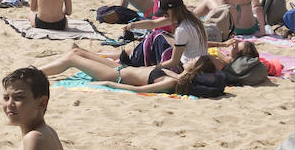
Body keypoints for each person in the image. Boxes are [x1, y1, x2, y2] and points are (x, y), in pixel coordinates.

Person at [2, 67, 72, 150]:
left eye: (19, 98)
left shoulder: (33, 139)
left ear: (41, 103)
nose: (10, 104)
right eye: (6, 97)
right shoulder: (49, 132)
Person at [38, 46, 219, 95]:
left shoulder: (172, 81)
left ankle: (34, 73)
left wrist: (106, 83)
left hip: (115, 76)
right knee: (77, 51)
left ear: (196, 69)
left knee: (72, 59)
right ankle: (35, 70)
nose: (191, 59)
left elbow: (137, 89)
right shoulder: (177, 74)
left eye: (194, 60)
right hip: (122, 68)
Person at [125, 0, 207, 70]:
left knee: (157, 37)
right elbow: (153, 24)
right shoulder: (191, 18)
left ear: (173, 10)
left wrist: (151, 69)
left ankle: (134, 61)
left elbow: (173, 62)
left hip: (187, 67)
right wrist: (133, 25)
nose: (164, 16)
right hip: (201, 63)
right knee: (157, 35)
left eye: (165, 13)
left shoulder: (182, 30)